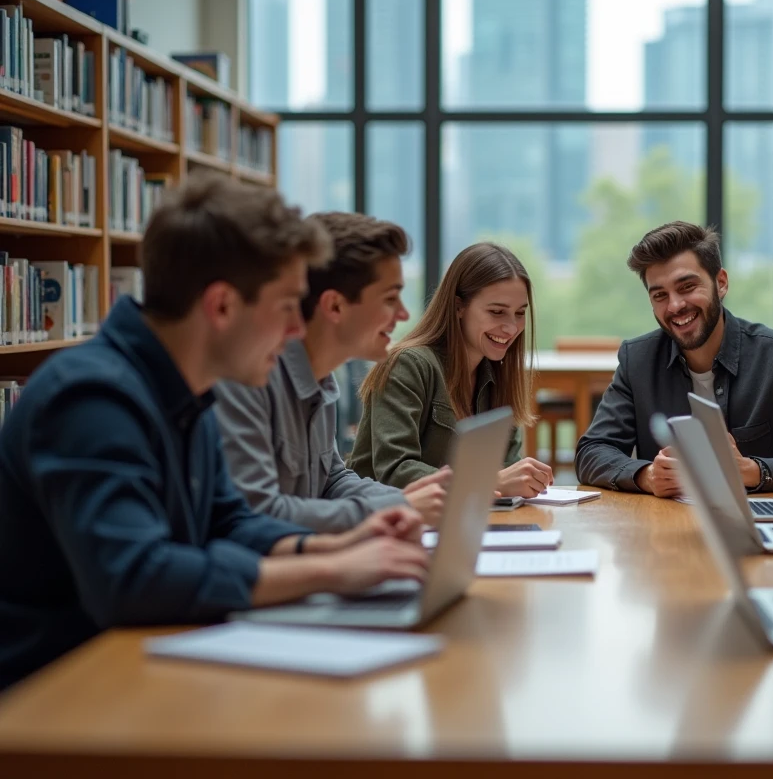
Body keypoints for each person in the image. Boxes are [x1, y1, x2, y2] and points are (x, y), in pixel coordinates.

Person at [0, 176, 431, 692]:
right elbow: (135, 577)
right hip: (54, 699)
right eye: (288, 305)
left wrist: (343, 546)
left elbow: (229, 522)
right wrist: (333, 572)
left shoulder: (189, 390)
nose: (299, 329)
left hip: (142, 669)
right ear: (222, 305)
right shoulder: (91, 397)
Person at [214, 212, 449, 530]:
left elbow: (331, 480)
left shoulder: (322, 377)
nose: (404, 313)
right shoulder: (248, 378)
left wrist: (412, 502)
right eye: (391, 298)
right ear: (335, 306)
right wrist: (400, 506)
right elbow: (259, 513)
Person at [575, 221, 773, 496]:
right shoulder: (637, 360)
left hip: (756, 526)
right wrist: (647, 475)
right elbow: (592, 452)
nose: (675, 306)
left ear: (721, 283)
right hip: (666, 525)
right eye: (660, 295)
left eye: (687, 287)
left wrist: (751, 470)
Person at [349, 242, 553, 498]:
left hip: (460, 522)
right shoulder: (408, 364)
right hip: (383, 523)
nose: (511, 328)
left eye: (520, 313)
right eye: (497, 312)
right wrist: (489, 482)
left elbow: (506, 468)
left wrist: (524, 479)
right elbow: (394, 470)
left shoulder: (500, 374)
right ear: (459, 307)